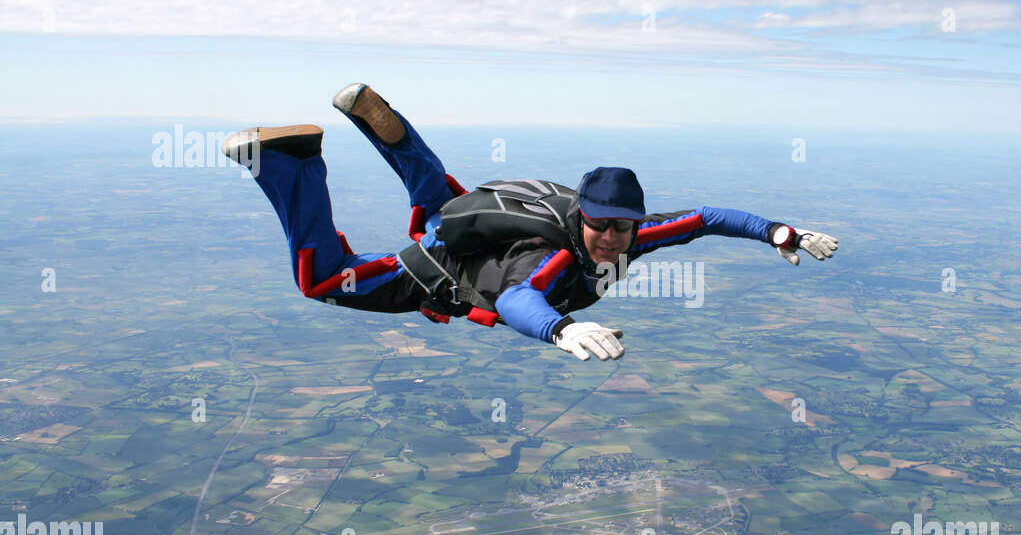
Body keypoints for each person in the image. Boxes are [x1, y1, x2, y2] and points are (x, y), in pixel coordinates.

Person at [223, 84, 839, 362]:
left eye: (623, 228)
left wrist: (777, 232)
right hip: (440, 269)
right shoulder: (554, 259)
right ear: (582, 217)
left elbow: (705, 218)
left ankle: (377, 120)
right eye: (600, 227)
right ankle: (291, 163)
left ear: (635, 222)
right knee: (323, 281)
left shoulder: (634, 233)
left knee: (438, 196)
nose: (612, 240)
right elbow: (520, 298)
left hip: (472, 221)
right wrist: (559, 331)